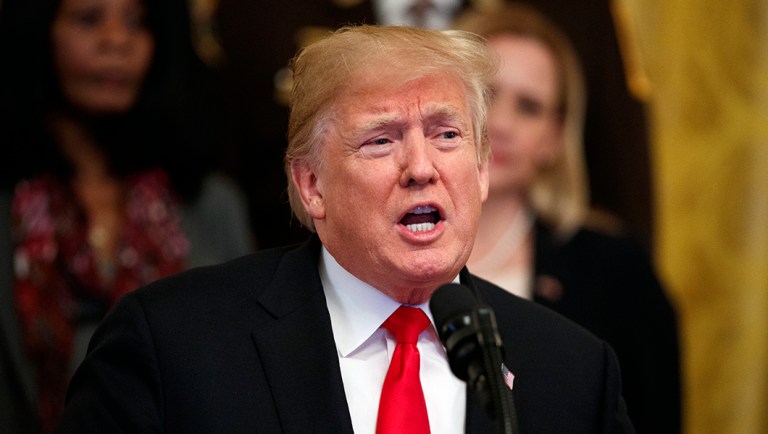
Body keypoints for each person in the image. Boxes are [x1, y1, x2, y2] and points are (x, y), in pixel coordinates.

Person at [54, 25, 634, 433]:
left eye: (447, 134)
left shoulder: (572, 373)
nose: (422, 167)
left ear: (481, 170)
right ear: (312, 185)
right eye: (381, 140)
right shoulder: (172, 344)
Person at [0, 0, 255, 431]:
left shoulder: (208, 202)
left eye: (137, 22)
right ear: (37, 33)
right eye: (89, 19)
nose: (117, 40)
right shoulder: (11, 203)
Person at [455, 4, 681, 433]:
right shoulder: (375, 246)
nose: (500, 123)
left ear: (554, 138)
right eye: (486, 94)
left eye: (529, 107)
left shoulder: (616, 272)